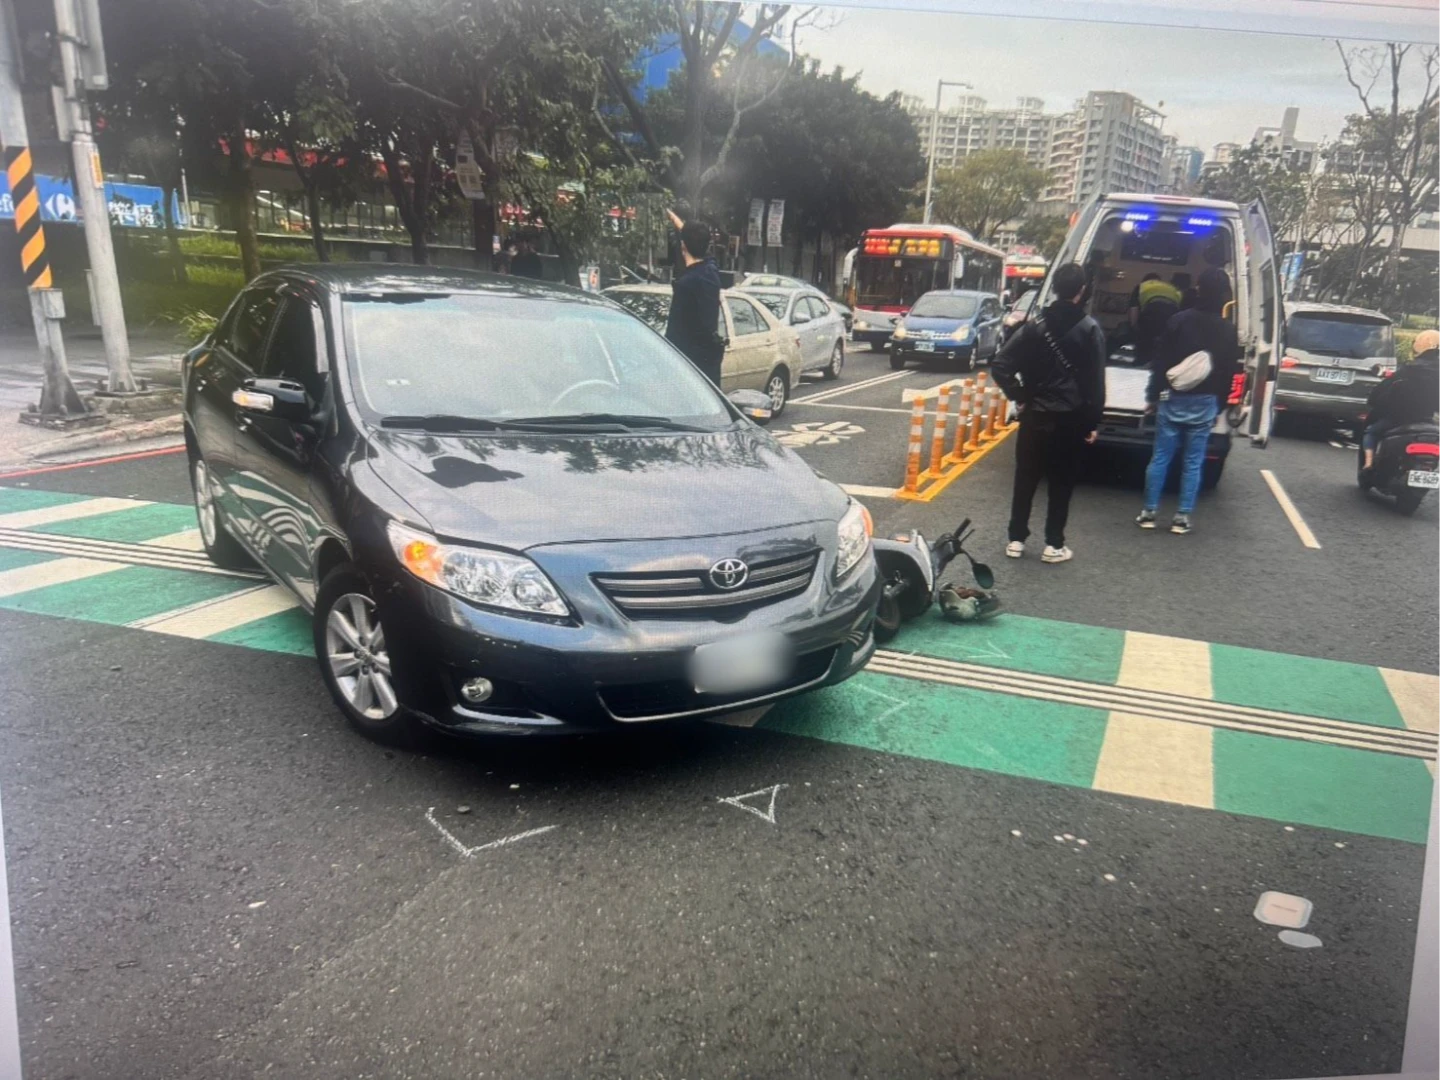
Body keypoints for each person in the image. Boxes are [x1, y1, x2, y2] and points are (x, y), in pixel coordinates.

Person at [991, 262, 1107, 564]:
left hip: (1035, 415)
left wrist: (1020, 397)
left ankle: (1016, 539)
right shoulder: (1090, 329)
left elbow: (1001, 364)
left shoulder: (1034, 326)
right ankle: (1053, 545)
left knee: (1026, 478)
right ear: (1082, 291)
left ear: (1054, 288)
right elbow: (1095, 382)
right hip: (1071, 419)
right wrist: (1092, 421)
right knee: (1061, 482)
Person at [1136, 266, 1242, 535]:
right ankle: (1182, 517)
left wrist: (1153, 396)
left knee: (1160, 457)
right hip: (1206, 401)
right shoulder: (1228, 331)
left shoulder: (1179, 320)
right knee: (1193, 462)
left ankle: (1149, 512)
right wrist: (1219, 403)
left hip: (1172, 397)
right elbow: (1229, 371)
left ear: (1199, 289)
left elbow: (1161, 363)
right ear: (1224, 295)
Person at [1363, 328, 1440, 470]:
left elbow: (1383, 391)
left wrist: (1376, 400)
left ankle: (1368, 464)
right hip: (1428, 419)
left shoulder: (1409, 369)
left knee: (1371, 432)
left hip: (1398, 418)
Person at [663, 210, 724, 387]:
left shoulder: (686, 285)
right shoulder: (711, 272)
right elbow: (697, 245)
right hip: (709, 365)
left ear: (683, 246)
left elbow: (674, 334)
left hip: (689, 369)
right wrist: (678, 223)